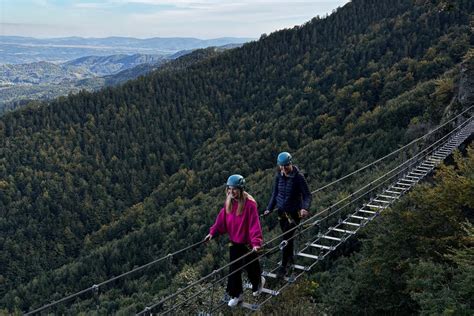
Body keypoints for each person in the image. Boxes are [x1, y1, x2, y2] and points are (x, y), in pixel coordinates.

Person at [205, 174, 265, 307]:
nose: (231, 192)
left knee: (252, 268)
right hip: (235, 242)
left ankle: (258, 283)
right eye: (229, 189)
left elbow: (254, 225)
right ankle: (236, 295)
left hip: (248, 244)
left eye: (234, 189)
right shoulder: (229, 203)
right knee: (234, 270)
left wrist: (256, 243)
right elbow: (221, 221)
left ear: (241, 189)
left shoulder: (250, 205)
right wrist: (212, 233)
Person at [264, 152, 312, 278]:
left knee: (286, 237)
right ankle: (290, 260)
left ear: (290, 163)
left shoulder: (299, 178)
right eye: (281, 166)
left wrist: (305, 208)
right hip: (281, 212)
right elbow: (275, 194)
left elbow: (307, 195)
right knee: (288, 238)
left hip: (294, 213)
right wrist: (269, 208)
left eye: (286, 165)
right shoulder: (278, 176)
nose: (284, 168)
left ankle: (283, 266)